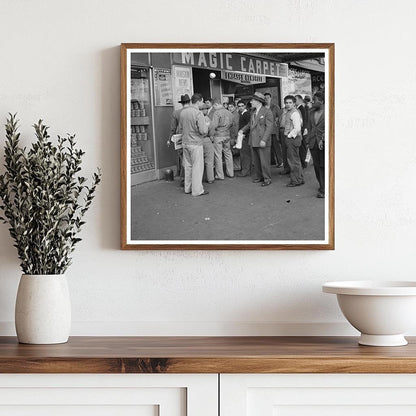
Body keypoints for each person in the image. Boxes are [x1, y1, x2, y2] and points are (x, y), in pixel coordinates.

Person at [239, 92, 273, 186]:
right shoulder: (253, 112)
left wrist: (264, 140)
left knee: (264, 161)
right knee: (256, 161)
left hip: (262, 140)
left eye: (253, 100)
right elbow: (250, 124)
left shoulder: (267, 111)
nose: (251, 102)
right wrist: (242, 130)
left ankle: (267, 178)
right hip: (254, 140)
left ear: (258, 101)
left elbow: (269, 127)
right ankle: (260, 176)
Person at [178, 93, 209, 196]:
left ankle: (188, 188)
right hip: (196, 143)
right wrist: (207, 126)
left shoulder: (183, 113)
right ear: (199, 101)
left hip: (185, 142)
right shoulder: (198, 113)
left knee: (188, 166)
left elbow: (180, 129)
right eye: (202, 101)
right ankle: (197, 190)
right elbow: (203, 131)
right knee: (197, 167)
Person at [281, 95, 304, 187]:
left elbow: (298, 128)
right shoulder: (290, 112)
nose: (288, 104)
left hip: (293, 138)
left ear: (294, 103)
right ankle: (300, 178)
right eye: (286, 103)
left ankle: (295, 181)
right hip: (293, 138)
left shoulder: (294, 113)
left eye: (290, 103)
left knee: (293, 160)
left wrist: (289, 135)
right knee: (295, 159)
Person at [209, 98, 234, 180]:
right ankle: (230, 173)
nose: (214, 108)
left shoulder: (217, 113)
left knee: (218, 155)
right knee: (228, 154)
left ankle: (220, 175)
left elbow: (214, 125)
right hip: (227, 135)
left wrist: (211, 135)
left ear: (216, 104)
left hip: (218, 136)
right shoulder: (229, 112)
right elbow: (231, 124)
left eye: (214, 106)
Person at [307, 91, 325, 198]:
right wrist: (308, 139)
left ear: (321, 101)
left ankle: (324, 189)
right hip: (313, 142)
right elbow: (309, 127)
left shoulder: (330, 112)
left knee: (323, 165)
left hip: (323, 142)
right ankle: (322, 184)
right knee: (317, 166)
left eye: (315, 100)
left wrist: (323, 138)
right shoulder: (311, 112)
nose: (313, 102)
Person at [169, 94, 190, 184]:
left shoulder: (176, 113)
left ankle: (183, 179)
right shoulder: (194, 111)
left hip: (180, 138)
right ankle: (191, 179)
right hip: (193, 138)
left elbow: (173, 128)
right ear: (189, 102)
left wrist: (170, 138)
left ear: (181, 103)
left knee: (183, 159)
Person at [264, 92, 283, 168]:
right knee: (268, 146)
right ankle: (272, 161)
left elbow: (280, 116)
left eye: (268, 98)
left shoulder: (275, 107)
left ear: (271, 98)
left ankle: (280, 161)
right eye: (265, 98)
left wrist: (276, 120)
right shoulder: (263, 107)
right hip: (265, 130)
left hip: (274, 130)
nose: (266, 99)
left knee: (276, 146)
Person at [236, 100, 252, 177]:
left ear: (245, 106)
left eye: (242, 106)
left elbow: (249, 125)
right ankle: (245, 170)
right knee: (244, 154)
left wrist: (245, 133)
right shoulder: (242, 114)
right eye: (239, 106)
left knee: (245, 154)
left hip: (245, 136)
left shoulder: (246, 114)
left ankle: (245, 171)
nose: (241, 107)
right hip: (242, 136)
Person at [200, 104, 215, 184]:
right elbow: (212, 130)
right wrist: (211, 137)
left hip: (198, 140)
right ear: (203, 110)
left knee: (199, 161)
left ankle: (200, 178)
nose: (206, 110)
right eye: (206, 109)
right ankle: (210, 178)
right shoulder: (207, 119)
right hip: (206, 140)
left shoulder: (196, 118)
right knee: (209, 160)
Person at [295, 94, 308, 169]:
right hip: (301, 129)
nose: (295, 101)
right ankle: (303, 162)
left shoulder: (301, 108)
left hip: (302, 129)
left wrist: (305, 128)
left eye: (296, 99)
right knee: (301, 147)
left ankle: (303, 162)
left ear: (300, 100)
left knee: (302, 147)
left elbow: (304, 119)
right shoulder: (298, 108)